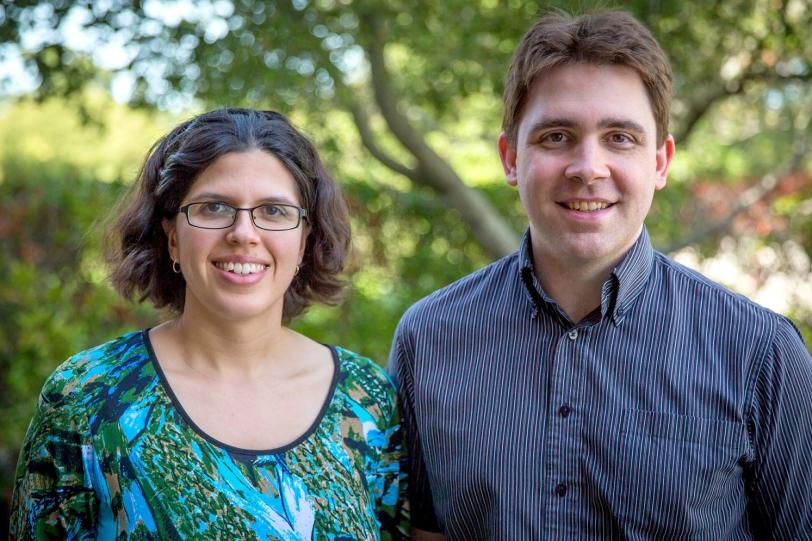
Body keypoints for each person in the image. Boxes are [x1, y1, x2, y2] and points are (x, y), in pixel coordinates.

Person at [389, 10, 812, 540]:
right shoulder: (428, 339)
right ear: (510, 158)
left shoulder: (761, 354)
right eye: (557, 135)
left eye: (620, 138)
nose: (588, 167)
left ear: (660, 162)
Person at [10, 108, 408, 540]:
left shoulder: (366, 400)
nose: (243, 233)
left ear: (305, 239)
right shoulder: (87, 395)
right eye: (214, 207)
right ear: (172, 235)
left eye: (274, 210)